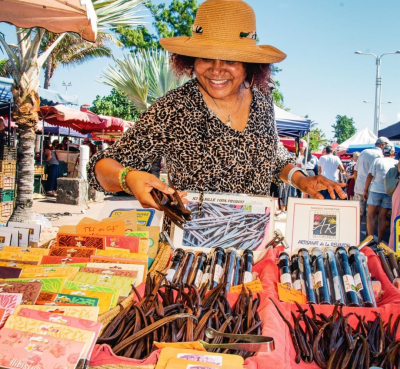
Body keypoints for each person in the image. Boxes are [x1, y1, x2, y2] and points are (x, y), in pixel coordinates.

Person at [87, 0, 346, 210]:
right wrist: (128, 177)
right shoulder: (174, 108)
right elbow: (99, 168)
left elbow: (272, 153)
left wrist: (301, 180)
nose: (217, 69)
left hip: (255, 242)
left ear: (249, 65)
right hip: (193, 250)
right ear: (191, 60)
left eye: (231, 60)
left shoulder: (263, 98)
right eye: (206, 58)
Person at [364, 144, 397, 243]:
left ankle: (370, 239)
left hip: (375, 190)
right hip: (389, 191)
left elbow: (370, 176)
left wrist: (365, 190)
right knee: (382, 217)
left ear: (383, 152)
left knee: (370, 215)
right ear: (392, 152)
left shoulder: (377, 160)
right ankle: (379, 241)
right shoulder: (396, 162)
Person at [353, 137, 390, 222]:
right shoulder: (381, 156)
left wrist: (357, 182)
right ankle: (368, 235)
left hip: (359, 186)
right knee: (370, 215)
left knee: (358, 214)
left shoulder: (364, 152)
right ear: (382, 145)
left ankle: (356, 234)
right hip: (372, 188)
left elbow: (356, 171)